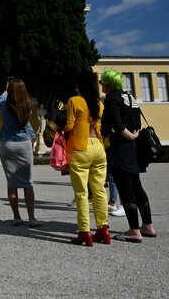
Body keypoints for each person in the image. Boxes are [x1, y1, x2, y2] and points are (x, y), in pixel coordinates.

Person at [100, 69, 156, 242]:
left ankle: (133, 230)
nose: (101, 85)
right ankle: (147, 226)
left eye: (102, 82)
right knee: (137, 186)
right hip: (133, 148)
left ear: (109, 84)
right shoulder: (129, 97)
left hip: (120, 147)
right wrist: (134, 135)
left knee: (126, 188)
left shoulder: (111, 98)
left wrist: (127, 135)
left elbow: (117, 123)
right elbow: (137, 122)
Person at [64, 71, 110, 246]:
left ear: (79, 86)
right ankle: (103, 229)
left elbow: (69, 125)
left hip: (80, 148)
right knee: (99, 191)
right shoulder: (99, 103)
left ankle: (85, 232)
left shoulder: (74, 101)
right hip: (98, 148)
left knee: (82, 193)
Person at [0, 78, 41, 227]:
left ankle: (16, 217)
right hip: (23, 143)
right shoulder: (27, 105)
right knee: (28, 183)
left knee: (12, 182)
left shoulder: (4, 104)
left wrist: (5, 90)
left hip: (7, 143)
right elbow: (26, 123)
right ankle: (32, 218)